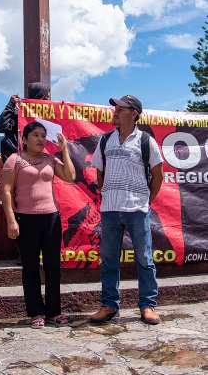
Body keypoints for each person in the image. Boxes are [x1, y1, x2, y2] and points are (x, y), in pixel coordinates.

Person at [90, 95, 163, 326]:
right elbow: (99, 173)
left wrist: (144, 200)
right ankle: (109, 305)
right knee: (109, 259)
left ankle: (148, 305)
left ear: (133, 113)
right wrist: (109, 192)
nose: (115, 111)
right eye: (115, 108)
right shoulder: (105, 140)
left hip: (137, 210)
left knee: (144, 258)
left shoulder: (146, 141)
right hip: (110, 209)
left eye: (120, 109)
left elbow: (158, 176)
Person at [1, 121, 75, 329]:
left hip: (51, 217)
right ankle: (36, 312)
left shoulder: (50, 159)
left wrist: (65, 151)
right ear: (24, 139)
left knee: (53, 267)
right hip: (26, 218)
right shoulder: (14, 160)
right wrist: (11, 220)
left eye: (43, 135)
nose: (40, 139)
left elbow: (70, 176)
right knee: (30, 267)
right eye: (35, 135)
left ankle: (53, 312)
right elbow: (6, 191)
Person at [0, 82, 50, 164]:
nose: (48, 100)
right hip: (23, 162)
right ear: (39, 96)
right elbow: (1, 127)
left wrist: (64, 109)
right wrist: (10, 105)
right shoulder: (21, 114)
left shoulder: (52, 115)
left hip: (46, 161)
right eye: (46, 97)